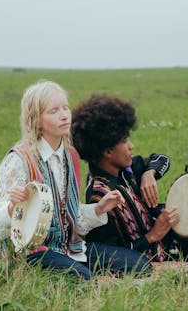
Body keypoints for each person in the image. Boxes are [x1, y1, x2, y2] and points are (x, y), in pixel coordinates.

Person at [0, 80, 149, 280]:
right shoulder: (20, 159)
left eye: (65, 108)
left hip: (70, 247)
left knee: (139, 263)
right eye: (53, 111)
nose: (64, 115)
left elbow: (71, 217)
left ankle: (81, 272)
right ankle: (77, 276)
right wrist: (10, 208)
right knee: (82, 278)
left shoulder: (70, 156)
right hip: (33, 253)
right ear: (36, 119)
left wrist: (99, 208)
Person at [71, 94, 179, 262]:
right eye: (125, 141)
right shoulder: (100, 197)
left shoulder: (127, 169)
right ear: (107, 152)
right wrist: (152, 235)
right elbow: (112, 255)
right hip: (150, 259)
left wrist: (149, 173)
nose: (131, 146)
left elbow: (162, 159)